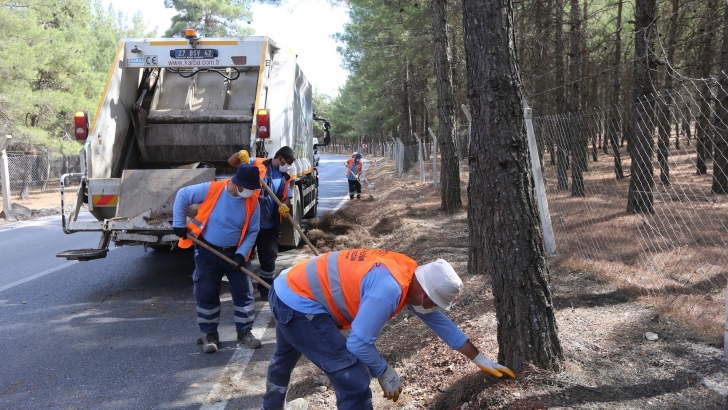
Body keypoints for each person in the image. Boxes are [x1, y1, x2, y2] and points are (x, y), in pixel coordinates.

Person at [261, 249, 515, 410]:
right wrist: (383, 371)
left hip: (288, 286)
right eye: (433, 302)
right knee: (354, 378)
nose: (431, 308)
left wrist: (479, 358)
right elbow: (358, 344)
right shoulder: (390, 290)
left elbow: (440, 324)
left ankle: (270, 408)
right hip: (299, 304)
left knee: (283, 360)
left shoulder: (408, 273)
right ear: (426, 293)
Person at [172, 164, 263, 353]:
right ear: (237, 184)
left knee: (243, 294)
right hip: (208, 252)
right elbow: (182, 195)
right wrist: (179, 223)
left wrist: (241, 254)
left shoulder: (253, 201)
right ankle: (210, 334)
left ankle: (245, 332)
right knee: (206, 292)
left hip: (235, 254)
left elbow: (253, 230)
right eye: (249, 188)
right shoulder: (212, 189)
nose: (252, 192)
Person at [228, 147, 295, 300]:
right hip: (249, 224)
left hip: (269, 226)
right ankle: (242, 290)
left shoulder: (285, 177)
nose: (288, 166)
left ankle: (266, 290)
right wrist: (239, 154)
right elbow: (231, 162)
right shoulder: (255, 163)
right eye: (288, 162)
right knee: (243, 257)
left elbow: (287, 197)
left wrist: (284, 206)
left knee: (269, 258)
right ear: (281, 158)